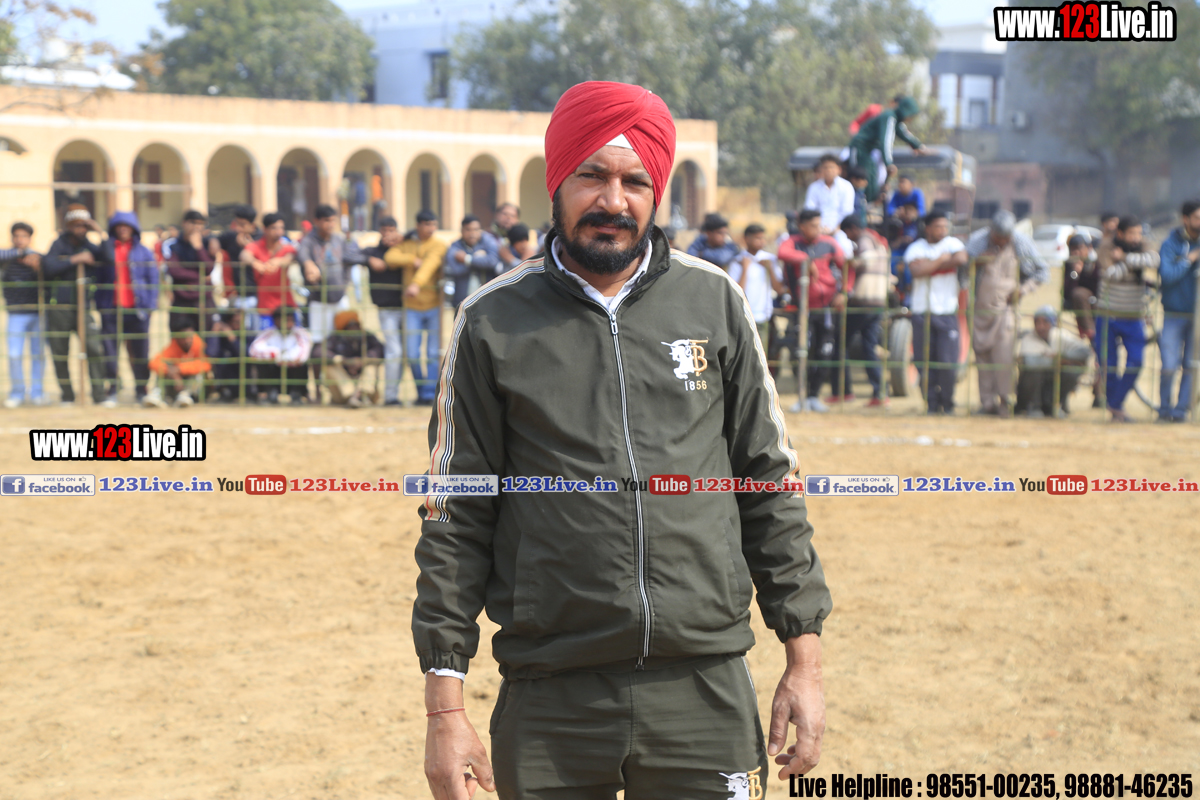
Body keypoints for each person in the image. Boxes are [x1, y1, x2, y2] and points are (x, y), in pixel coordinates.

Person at [415, 80, 831, 800]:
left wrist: (805, 663)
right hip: (550, 695)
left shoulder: (713, 300)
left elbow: (769, 485)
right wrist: (445, 711)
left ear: (657, 191)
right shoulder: (491, 320)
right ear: (556, 182)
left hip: (703, 687)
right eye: (592, 176)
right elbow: (456, 515)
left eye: (636, 182)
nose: (614, 200)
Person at [965, 210, 1049, 416]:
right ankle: (987, 404)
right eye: (998, 237)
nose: (1002, 241)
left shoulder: (1021, 242)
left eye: (1006, 238)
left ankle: (1005, 402)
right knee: (983, 357)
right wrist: (977, 262)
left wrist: (1023, 290)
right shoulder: (977, 241)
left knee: (1003, 357)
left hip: (1006, 310)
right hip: (980, 310)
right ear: (991, 232)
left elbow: (1042, 271)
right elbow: (961, 268)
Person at [778, 208, 849, 411]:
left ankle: (814, 396)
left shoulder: (830, 243)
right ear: (801, 226)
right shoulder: (792, 242)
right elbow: (782, 253)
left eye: (819, 225)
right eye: (813, 226)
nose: (818, 229)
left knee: (825, 352)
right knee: (802, 352)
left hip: (826, 309)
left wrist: (844, 292)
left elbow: (847, 266)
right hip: (803, 309)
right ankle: (802, 395)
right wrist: (805, 260)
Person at [40, 204, 108, 405]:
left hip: (83, 307)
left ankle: (99, 395)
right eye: (77, 225)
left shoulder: (89, 245)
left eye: (84, 225)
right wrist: (74, 259)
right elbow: (48, 266)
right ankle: (67, 395)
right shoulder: (58, 244)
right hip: (59, 309)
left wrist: (100, 232)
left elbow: (109, 257)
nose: (81, 229)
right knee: (60, 353)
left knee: (94, 349)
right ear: (69, 226)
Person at [1095, 216, 1158, 422]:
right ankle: (1117, 410)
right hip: (1108, 315)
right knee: (1108, 365)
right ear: (1121, 234)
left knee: (1136, 361)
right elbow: (1110, 274)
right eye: (1132, 233)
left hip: (1134, 316)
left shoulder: (1142, 245)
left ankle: (1115, 404)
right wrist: (1134, 263)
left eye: (1138, 233)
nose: (1136, 237)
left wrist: (1124, 258)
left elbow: (1154, 260)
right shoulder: (1106, 246)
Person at [905, 210, 968, 414]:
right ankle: (931, 404)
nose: (942, 230)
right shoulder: (916, 248)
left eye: (945, 227)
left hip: (947, 312)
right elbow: (916, 271)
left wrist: (930, 265)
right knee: (924, 362)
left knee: (948, 362)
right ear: (928, 228)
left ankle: (948, 403)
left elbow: (961, 259)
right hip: (921, 312)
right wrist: (941, 260)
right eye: (938, 227)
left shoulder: (953, 244)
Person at [96, 211, 160, 406]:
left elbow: (153, 280)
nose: (123, 229)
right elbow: (97, 277)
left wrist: (150, 306)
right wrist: (100, 303)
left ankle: (141, 390)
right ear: (114, 228)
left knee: (140, 353)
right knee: (110, 352)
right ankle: (113, 389)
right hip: (111, 308)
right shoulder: (106, 250)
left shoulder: (144, 252)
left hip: (137, 311)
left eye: (127, 226)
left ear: (134, 229)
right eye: (119, 225)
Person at [386, 209, 446, 406]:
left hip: (434, 306)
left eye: (434, 224)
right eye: (427, 224)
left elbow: (430, 264)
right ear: (418, 225)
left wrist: (416, 283)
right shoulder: (407, 244)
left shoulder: (439, 245)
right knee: (411, 354)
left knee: (432, 353)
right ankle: (421, 391)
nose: (431, 228)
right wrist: (412, 260)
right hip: (411, 308)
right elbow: (390, 257)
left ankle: (429, 394)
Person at [838, 215, 892, 405]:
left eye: (847, 233)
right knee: (869, 347)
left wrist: (849, 261)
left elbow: (865, 260)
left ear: (853, 228)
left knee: (840, 343)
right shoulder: (879, 242)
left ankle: (843, 391)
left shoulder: (864, 239)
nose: (848, 238)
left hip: (863, 300)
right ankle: (880, 392)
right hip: (879, 300)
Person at [1155, 199, 1200, 422]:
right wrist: (1188, 260)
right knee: (1169, 366)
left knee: (1191, 367)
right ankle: (1164, 410)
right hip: (1173, 315)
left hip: (1198, 318)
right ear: (1185, 219)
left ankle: (1181, 412)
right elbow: (1167, 276)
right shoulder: (1170, 244)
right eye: (1198, 218)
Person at [298, 204, 362, 346]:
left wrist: (345, 284)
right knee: (319, 342)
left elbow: (349, 261)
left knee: (345, 339)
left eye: (333, 220)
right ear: (316, 221)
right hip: (319, 300)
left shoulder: (339, 240)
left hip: (340, 299)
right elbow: (302, 254)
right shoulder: (309, 241)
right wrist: (309, 265)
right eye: (326, 220)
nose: (331, 224)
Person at [847, 95, 928, 204]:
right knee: (860, 177)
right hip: (860, 148)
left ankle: (869, 204)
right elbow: (885, 140)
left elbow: (903, 133)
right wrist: (888, 163)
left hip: (869, 150)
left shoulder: (895, 119)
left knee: (872, 176)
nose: (910, 119)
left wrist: (918, 146)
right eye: (911, 116)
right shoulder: (889, 116)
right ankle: (859, 205)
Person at [1015, 306, 1093, 417]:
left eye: (1045, 322)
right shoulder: (1028, 338)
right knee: (1034, 372)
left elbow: (1085, 352)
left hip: (1052, 383)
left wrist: (1063, 357)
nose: (1041, 327)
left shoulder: (1060, 335)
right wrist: (1056, 360)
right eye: (1037, 322)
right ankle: (1034, 406)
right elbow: (1031, 362)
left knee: (1071, 371)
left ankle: (1054, 405)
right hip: (1033, 386)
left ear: (1052, 323)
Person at [2, 222, 46, 408]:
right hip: (15, 314)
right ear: (12, 238)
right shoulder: (6, 258)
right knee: (14, 355)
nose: (20, 239)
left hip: (37, 314)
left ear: (30, 238)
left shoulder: (38, 258)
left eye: (24, 236)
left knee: (38, 355)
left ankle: (37, 392)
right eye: (17, 236)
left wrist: (38, 265)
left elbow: (50, 267)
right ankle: (17, 392)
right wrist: (21, 254)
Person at [364, 216, 405, 406]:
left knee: (406, 352)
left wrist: (403, 238)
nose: (388, 234)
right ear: (380, 231)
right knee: (394, 351)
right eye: (385, 230)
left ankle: (396, 393)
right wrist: (369, 260)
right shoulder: (373, 251)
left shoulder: (404, 247)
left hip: (408, 308)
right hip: (386, 309)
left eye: (392, 230)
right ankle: (390, 396)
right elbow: (350, 254)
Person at [728, 223, 785, 356]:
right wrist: (745, 268)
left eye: (763, 238)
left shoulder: (769, 259)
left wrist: (770, 269)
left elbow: (779, 289)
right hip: (743, 316)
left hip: (763, 316)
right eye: (757, 238)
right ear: (747, 239)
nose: (761, 241)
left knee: (761, 355)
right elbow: (736, 291)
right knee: (744, 355)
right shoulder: (738, 261)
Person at [248, 305, 312, 404]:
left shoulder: (300, 333)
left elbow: (302, 356)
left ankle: (296, 395)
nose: (289, 323)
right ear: (276, 321)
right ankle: (271, 394)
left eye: (291, 320)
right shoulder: (268, 333)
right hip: (275, 374)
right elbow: (254, 350)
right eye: (286, 320)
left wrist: (281, 358)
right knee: (262, 363)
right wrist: (276, 354)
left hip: (292, 374)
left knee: (302, 365)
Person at [240, 213, 296, 324]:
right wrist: (255, 263)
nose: (278, 232)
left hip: (286, 304)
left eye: (281, 228)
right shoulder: (256, 246)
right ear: (264, 229)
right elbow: (244, 255)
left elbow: (290, 257)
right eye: (274, 228)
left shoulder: (286, 247)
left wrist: (279, 261)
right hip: (265, 306)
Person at [320, 310, 384, 407]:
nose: (355, 329)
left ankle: (361, 394)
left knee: (372, 364)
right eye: (351, 326)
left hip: (366, 389)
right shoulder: (336, 338)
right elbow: (320, 352)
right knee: (329, 366)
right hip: (343, 392)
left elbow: (380, 348)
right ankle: (352, 395)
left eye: (356, 325)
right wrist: (343, 361)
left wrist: (363, 361)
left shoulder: (366, 336)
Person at [144, 318, 211, 408]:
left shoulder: (199, 344)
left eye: (190, 336)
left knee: (198, 371)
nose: (187, 340)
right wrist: (173, 374)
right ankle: (157, 393)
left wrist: (179, 369)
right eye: (184, 337)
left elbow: (206, 364)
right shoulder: (173, 346)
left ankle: (185, 395)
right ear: (176, 337)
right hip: (176, 385)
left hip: (193, 386)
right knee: (164, 365)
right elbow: (154, 363)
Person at [216, 205, 262, 329]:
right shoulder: (231, 237)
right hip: (238, 295)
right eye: (237, 224)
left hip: (259, 295)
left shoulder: (262, 239)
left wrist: (250, 248)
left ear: (252, 225)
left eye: (242, 225)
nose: (238, 228)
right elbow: (213, 241)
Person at [446, 215, 502, 309]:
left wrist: (467, 259)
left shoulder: (488, 241)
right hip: (462, 301)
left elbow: (492, 262)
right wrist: (479, 260)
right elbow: (455, 270)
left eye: (476, 229)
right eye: (468, 229)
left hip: (486, 300)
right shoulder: (455, 246)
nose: (472, 233)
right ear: (462, 230)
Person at [803, 154, 855, 236]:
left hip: (840, 230)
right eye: (825, 167)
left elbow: (847, 212)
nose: (828, 170)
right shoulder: (813, 188)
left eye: (831, 167)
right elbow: (809, 210)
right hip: (817, 230)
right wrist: (819, 228)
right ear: (820, 169)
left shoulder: (846, 186)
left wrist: (836, 229)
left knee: (844, 243)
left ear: (839, 169)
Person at [1062, 233, 1099, 341]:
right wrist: (1075, 273)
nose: (1077, 252)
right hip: (1077, 301)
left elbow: (1096, 287)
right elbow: (1066, 292)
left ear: (1089, 248)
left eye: (1080, 248)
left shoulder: (1094, 263)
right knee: (1078, 295)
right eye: (1073, 249)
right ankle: (1090, 333)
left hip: (1095, 300)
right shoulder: (1069, 264)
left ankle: (1092, 333)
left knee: (1080, 295)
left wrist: (1084, 271)